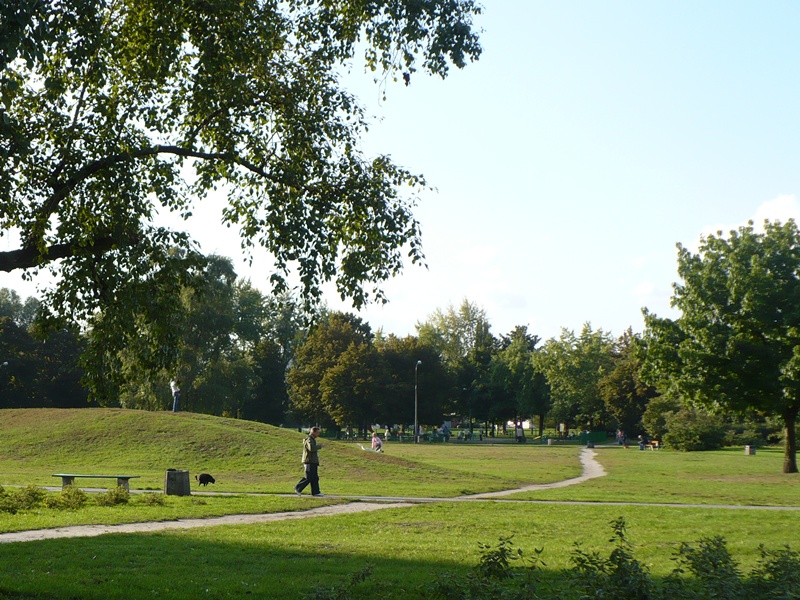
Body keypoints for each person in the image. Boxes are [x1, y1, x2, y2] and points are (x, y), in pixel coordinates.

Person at [294, 427, 324, 496]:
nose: (318, 434)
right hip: (309, 461)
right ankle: (298, 487)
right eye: (317, 432)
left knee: (315, 478)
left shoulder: (312, 439)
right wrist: (319, 446)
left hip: (313, 461)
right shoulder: (309, 439)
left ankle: (316, 492)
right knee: (309, 477)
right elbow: (311, 448)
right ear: (313, 432)